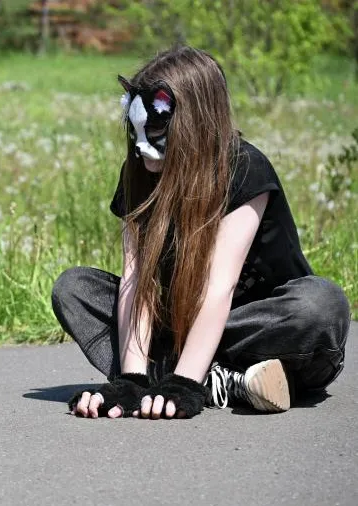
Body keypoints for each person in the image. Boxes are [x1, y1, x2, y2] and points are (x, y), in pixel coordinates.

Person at [51, 46, 351, 419]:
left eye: (157, 128)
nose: (142, 144)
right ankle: (226, 381)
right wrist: (130, 380)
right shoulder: (140, 173)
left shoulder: (243, 168)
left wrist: (184, 385)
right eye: (136, 127)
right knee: (74, 288)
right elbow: (136, 281)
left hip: (262, 331)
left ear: (194, 123)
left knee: (320, 304)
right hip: (180, 326)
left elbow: (218, 286)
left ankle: (193, 377)